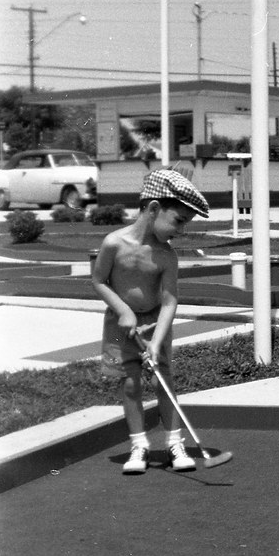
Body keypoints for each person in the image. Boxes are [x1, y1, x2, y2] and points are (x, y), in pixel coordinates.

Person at [91, 168, 210, 475]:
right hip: (120, 324)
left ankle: (174, 442)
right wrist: (124, 311)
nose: (181, 231)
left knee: (162, 380)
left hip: (156, 322)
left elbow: (170, 300)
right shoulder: (114, 243)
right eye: (179, 221)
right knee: (130, 383)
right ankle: (139, 445)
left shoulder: (166, 255)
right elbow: (99, 279)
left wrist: (157, 341)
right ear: (155, 208)